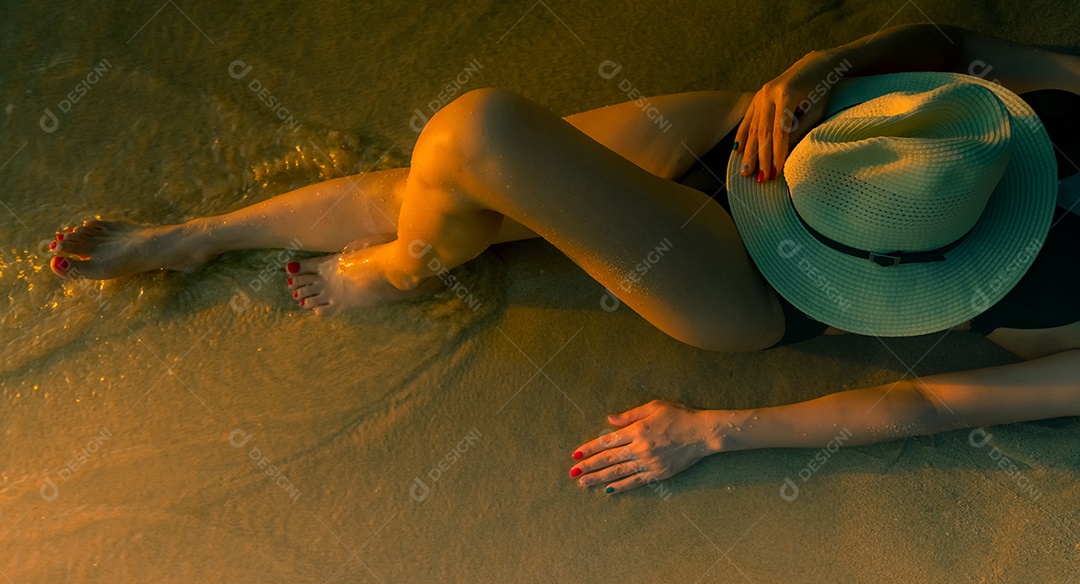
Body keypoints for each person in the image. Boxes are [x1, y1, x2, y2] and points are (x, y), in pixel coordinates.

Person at [46, 23, 1080, 495]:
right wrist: (826, 67)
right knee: (460, 180)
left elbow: (938, 406)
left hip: (758, 280)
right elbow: (966, 48)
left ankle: (406, 269)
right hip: (775, 146)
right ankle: (204, 237)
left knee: (478, 139)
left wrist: (717, 433)